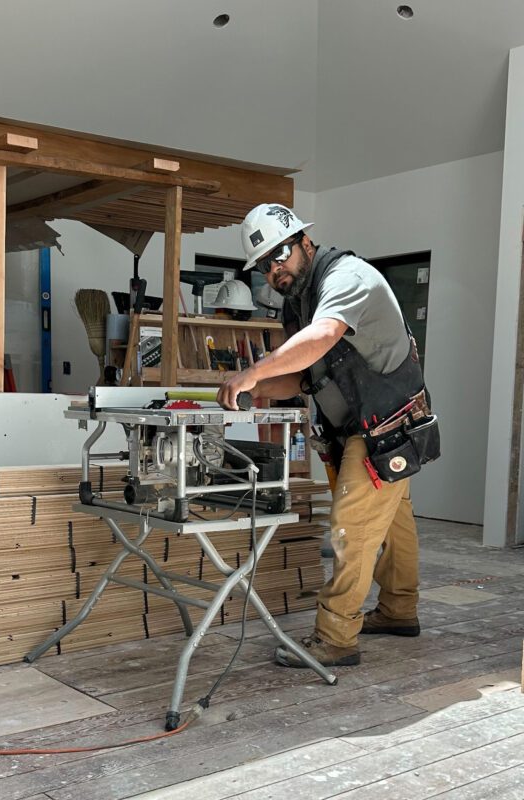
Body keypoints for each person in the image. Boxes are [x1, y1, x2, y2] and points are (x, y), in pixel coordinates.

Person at [217, 203, 435, 668]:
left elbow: (323, 337)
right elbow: (302, 375)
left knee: (351, 529)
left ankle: (335, 637)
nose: (274, 270)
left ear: (304, 243)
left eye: (280, 255)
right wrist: (250, 389)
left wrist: (255, 371)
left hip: (385, 426)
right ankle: (399, 611)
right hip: (359, 426)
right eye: (265, 265)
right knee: (394, 526)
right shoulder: (299, 298)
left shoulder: (345, 278)